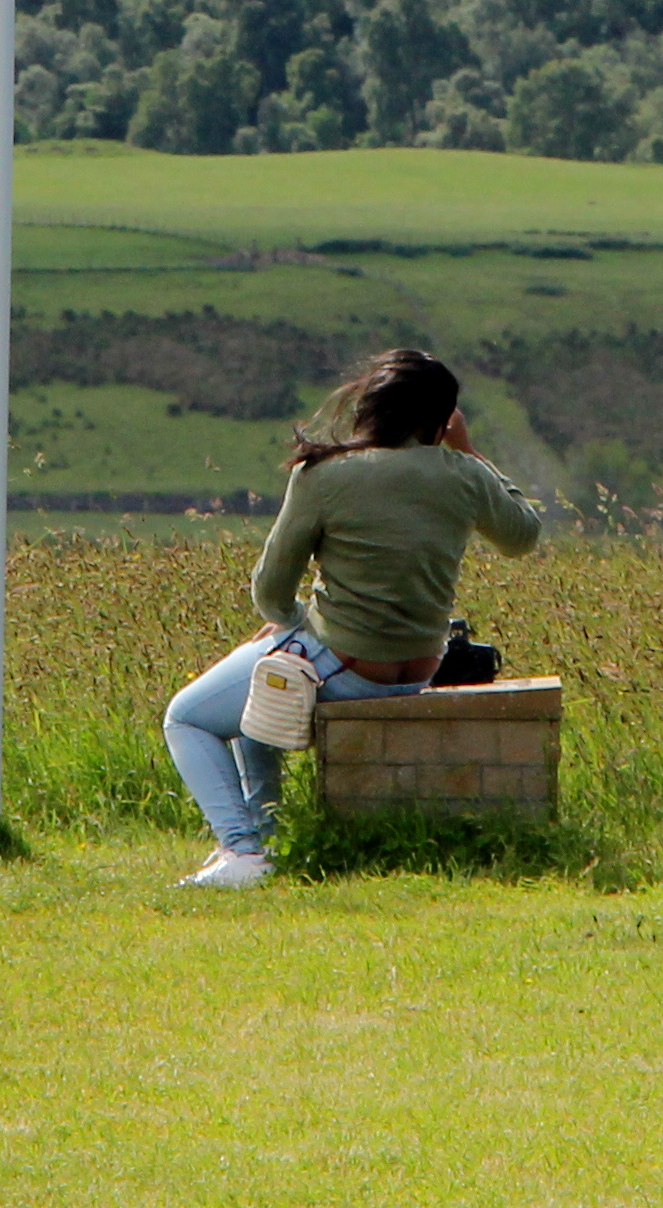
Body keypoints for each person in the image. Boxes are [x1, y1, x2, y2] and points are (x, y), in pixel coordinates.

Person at [160, 345, 544, 887]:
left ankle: (243, 851)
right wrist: (470, 450)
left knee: (188, 717)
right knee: (260, 680)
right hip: (420, 667)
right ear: (440, 419)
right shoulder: (464, 475)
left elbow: (270, 592)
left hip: (346, 663)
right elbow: (523, 537)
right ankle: (264, 844)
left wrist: (294, 621)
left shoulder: (326, 475)